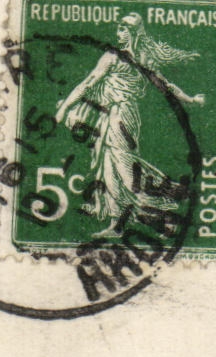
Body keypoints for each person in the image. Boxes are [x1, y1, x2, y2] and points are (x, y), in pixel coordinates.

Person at [54, 14, 203, 235]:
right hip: (118, 114)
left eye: (123, 30)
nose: (118, 34)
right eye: (118, 30)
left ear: (133, 32)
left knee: (123, 168)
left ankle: (164, 206)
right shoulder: (141, 59)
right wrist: (190, 99)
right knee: (109, 167)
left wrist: (64, 108)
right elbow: (167, 86)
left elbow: (88, 83)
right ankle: (117, 224)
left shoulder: (114, 57)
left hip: (120, 115)